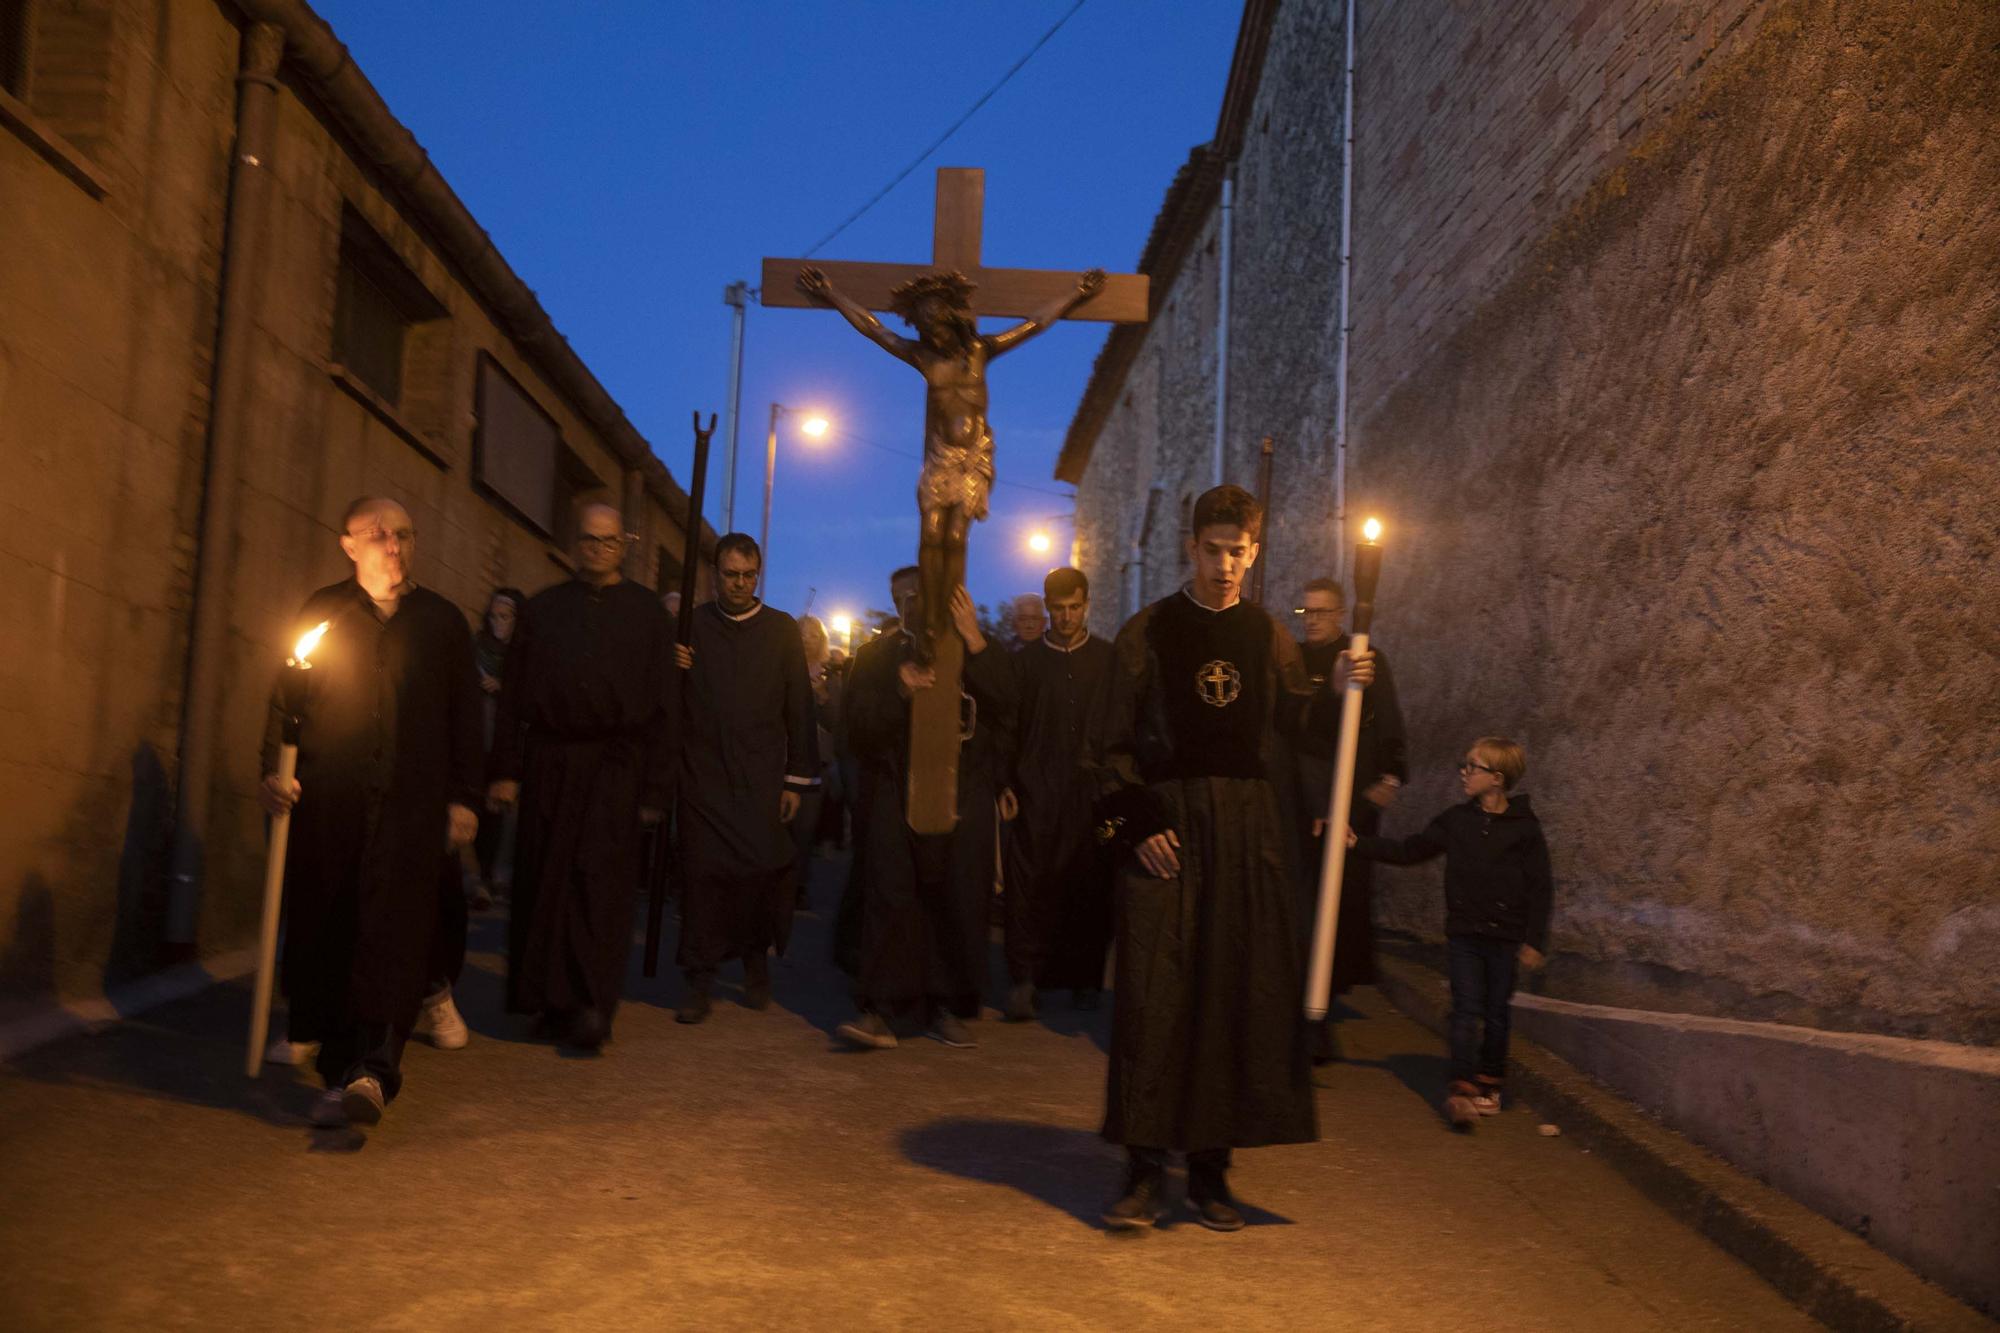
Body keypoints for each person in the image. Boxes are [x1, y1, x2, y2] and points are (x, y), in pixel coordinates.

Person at [1090, 484, 1373, 1231]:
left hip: (1246, 837)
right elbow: (1108, 746)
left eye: (1237, 552)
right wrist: (1137, 822)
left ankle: (1211, 1173)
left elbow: (1296, 722)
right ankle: (1144, 1169)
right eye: (1212, 551)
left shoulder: (1268, 635)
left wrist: (1337, 689)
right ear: (1192, 548)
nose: (1224, 565)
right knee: (1156, 998)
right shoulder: (1147, 631)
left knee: (1227, 994)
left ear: (1255, 552)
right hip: (1169, 832)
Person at [257, 496, 482, 1128]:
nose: (394, 544)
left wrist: (464, 797)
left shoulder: (440, 621)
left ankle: (374, 1073)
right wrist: (274, 774)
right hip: (332, 797)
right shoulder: (323, 614)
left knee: (397, 933)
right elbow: (286, 704)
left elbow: (466, 714)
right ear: (349, 544)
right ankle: (330, 1048)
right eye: (379, 534)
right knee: (332, 921)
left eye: (405, 534)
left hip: (412, 805)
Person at [796, 262, 1103, 657]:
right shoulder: (924, 358)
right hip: (942, 457)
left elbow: (1034, 323)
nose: (934, 338)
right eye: (927, 332)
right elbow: (874, 328)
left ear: (951, 320)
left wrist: (1076, 292)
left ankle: (950, 617)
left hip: (973, 457)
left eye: (938, 329)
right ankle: (929, 620)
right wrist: (831, 294)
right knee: (930, 535)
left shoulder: (979, 351)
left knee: (955, 537)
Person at [488, 502, 674, 1052]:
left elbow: (665, 706)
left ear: (624, 546)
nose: (598, 549)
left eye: (608, 541)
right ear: (576, 544)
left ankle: (593, 1003)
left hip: (615, 767)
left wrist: (656, 790)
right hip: (550, 760)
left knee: (600, 885)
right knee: (544, 877)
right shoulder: (544, 610)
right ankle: (548, 998)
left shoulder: (646, 615)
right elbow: (514, 697)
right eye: (589, 540)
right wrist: (505, 771)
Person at [836, 572, 1016, 1051]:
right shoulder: (877, 657)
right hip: (898, 792)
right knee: (892, 898)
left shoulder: (977, 646)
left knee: (954, 900)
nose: (909, 607)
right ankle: (881, 1009)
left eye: (918, 596)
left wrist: (975, 639)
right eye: (900, 600)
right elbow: (855, 729)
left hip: (963, 793)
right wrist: (899, 690)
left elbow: (1008, 707)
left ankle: (945, 1005)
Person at [1349, 736, 1553, 1129]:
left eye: (1471, 766)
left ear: (1496, 778)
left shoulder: (1525, 829)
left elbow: (1540, 885)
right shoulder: (1456, 821)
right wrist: (1359, 844)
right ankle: (1462, 1088)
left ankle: (1490, 1082)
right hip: (1465, 934)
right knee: (1465, 1009)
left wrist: (1533, 939)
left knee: (1496, 1013)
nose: (1463, 772)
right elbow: (1411, 850)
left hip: (1505, 937)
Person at [671, 534, 818, 1024]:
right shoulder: (690, 626)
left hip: (759, 777)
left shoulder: (779, 630)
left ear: (758, 575)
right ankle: (699, 978)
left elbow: (799, 706)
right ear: (716, 573)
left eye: (748, 575)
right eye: (730, 574)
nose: (739, 584)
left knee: (757, 877)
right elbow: (667, 701)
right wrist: (673, 667)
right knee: (701, 878)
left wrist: (795, 780)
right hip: (704, 776)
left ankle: (756, 964)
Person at [1294, 575, 1407, 1061]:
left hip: (1353, 799)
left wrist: (1392, 774)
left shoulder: (1365, 657)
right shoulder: (1295, 662)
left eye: (1321, 612)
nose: (1313, 620)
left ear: (1340, 614)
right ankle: (1303, 1005)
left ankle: (1327, 1001)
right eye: (1306, 612)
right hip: (1305, 801)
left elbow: (1387, 716)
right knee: (1304, 900)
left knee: (1344, 901)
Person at [998, 567, 1116, 1021]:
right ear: (1048, 609)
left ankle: (1084, 977)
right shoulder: (1025, 663)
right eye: (1058, 609)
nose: (1066, 617)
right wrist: (1005, 782)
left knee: (1088, 882)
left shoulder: (1106, 660)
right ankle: (1025, 977)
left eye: (1074, 607)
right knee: (1030, 884)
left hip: (1089, 790)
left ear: (1086, 605)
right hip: (1036, 788)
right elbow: (1009, 725)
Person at [466, 587, 525, 909]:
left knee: (499, 813)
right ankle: (480, 878)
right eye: (494, 616)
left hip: (508, 747)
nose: (499, 622)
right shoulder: (478, 648)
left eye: (506, 616)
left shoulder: (523, 655)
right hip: (479, 740)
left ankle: (491, 876)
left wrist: (502, 687)